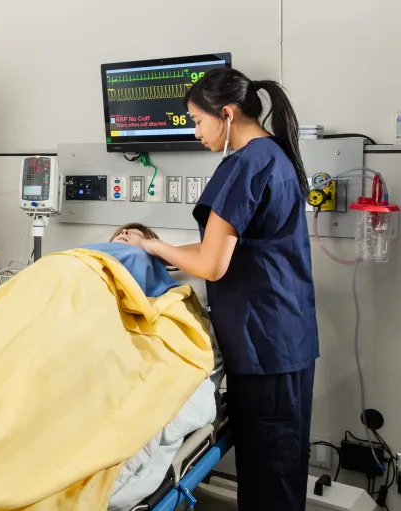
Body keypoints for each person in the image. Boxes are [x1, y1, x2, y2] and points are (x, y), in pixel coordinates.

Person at [125, 68, 318, 510]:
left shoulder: (245, 164)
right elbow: (223, 248)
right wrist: (159, 254)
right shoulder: (272, 156)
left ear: (226, 114)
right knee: (279, 470)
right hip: (281, 339)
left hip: (265, 345)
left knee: (269, 479)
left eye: (198, 120)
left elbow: (212, 264)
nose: (196, 132)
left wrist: (152, 245)